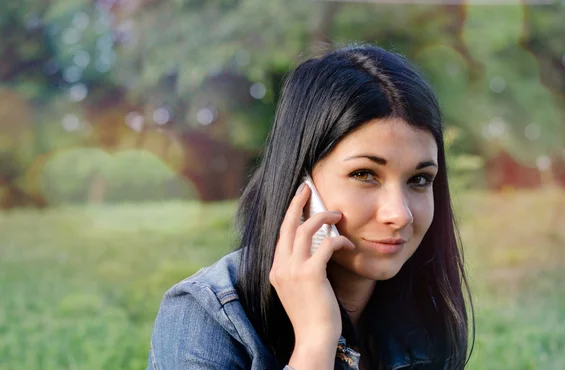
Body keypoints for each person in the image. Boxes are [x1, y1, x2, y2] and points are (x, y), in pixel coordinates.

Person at [147, 44, 474, 370]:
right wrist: (315, 341)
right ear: (300, 180)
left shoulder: (426, 315)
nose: (400, 214)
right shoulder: (207, 316)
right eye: (364, 174)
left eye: (419, 179)